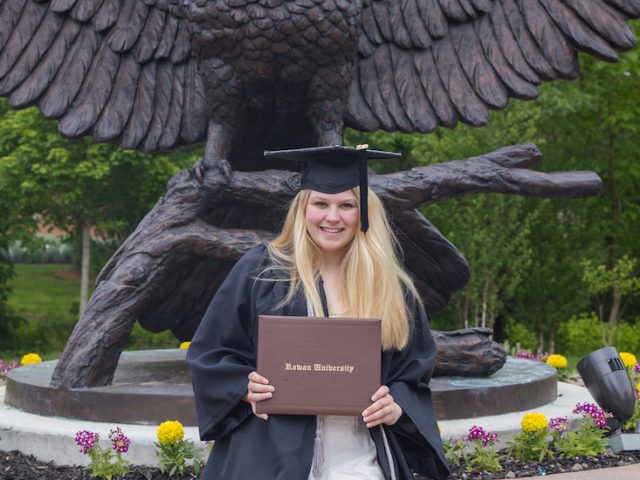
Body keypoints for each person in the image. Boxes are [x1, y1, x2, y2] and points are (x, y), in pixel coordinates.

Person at [187, 145, 449, 480]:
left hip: (359, 454)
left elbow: (413, 371)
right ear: (302, 209)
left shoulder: (388, 287)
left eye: (347, 205)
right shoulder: (262, 272)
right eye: (321, 204)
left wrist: (396, 403)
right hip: (273, 451)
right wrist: (242, 385)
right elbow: (210, 352)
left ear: (365, 212)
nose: (332, 217)